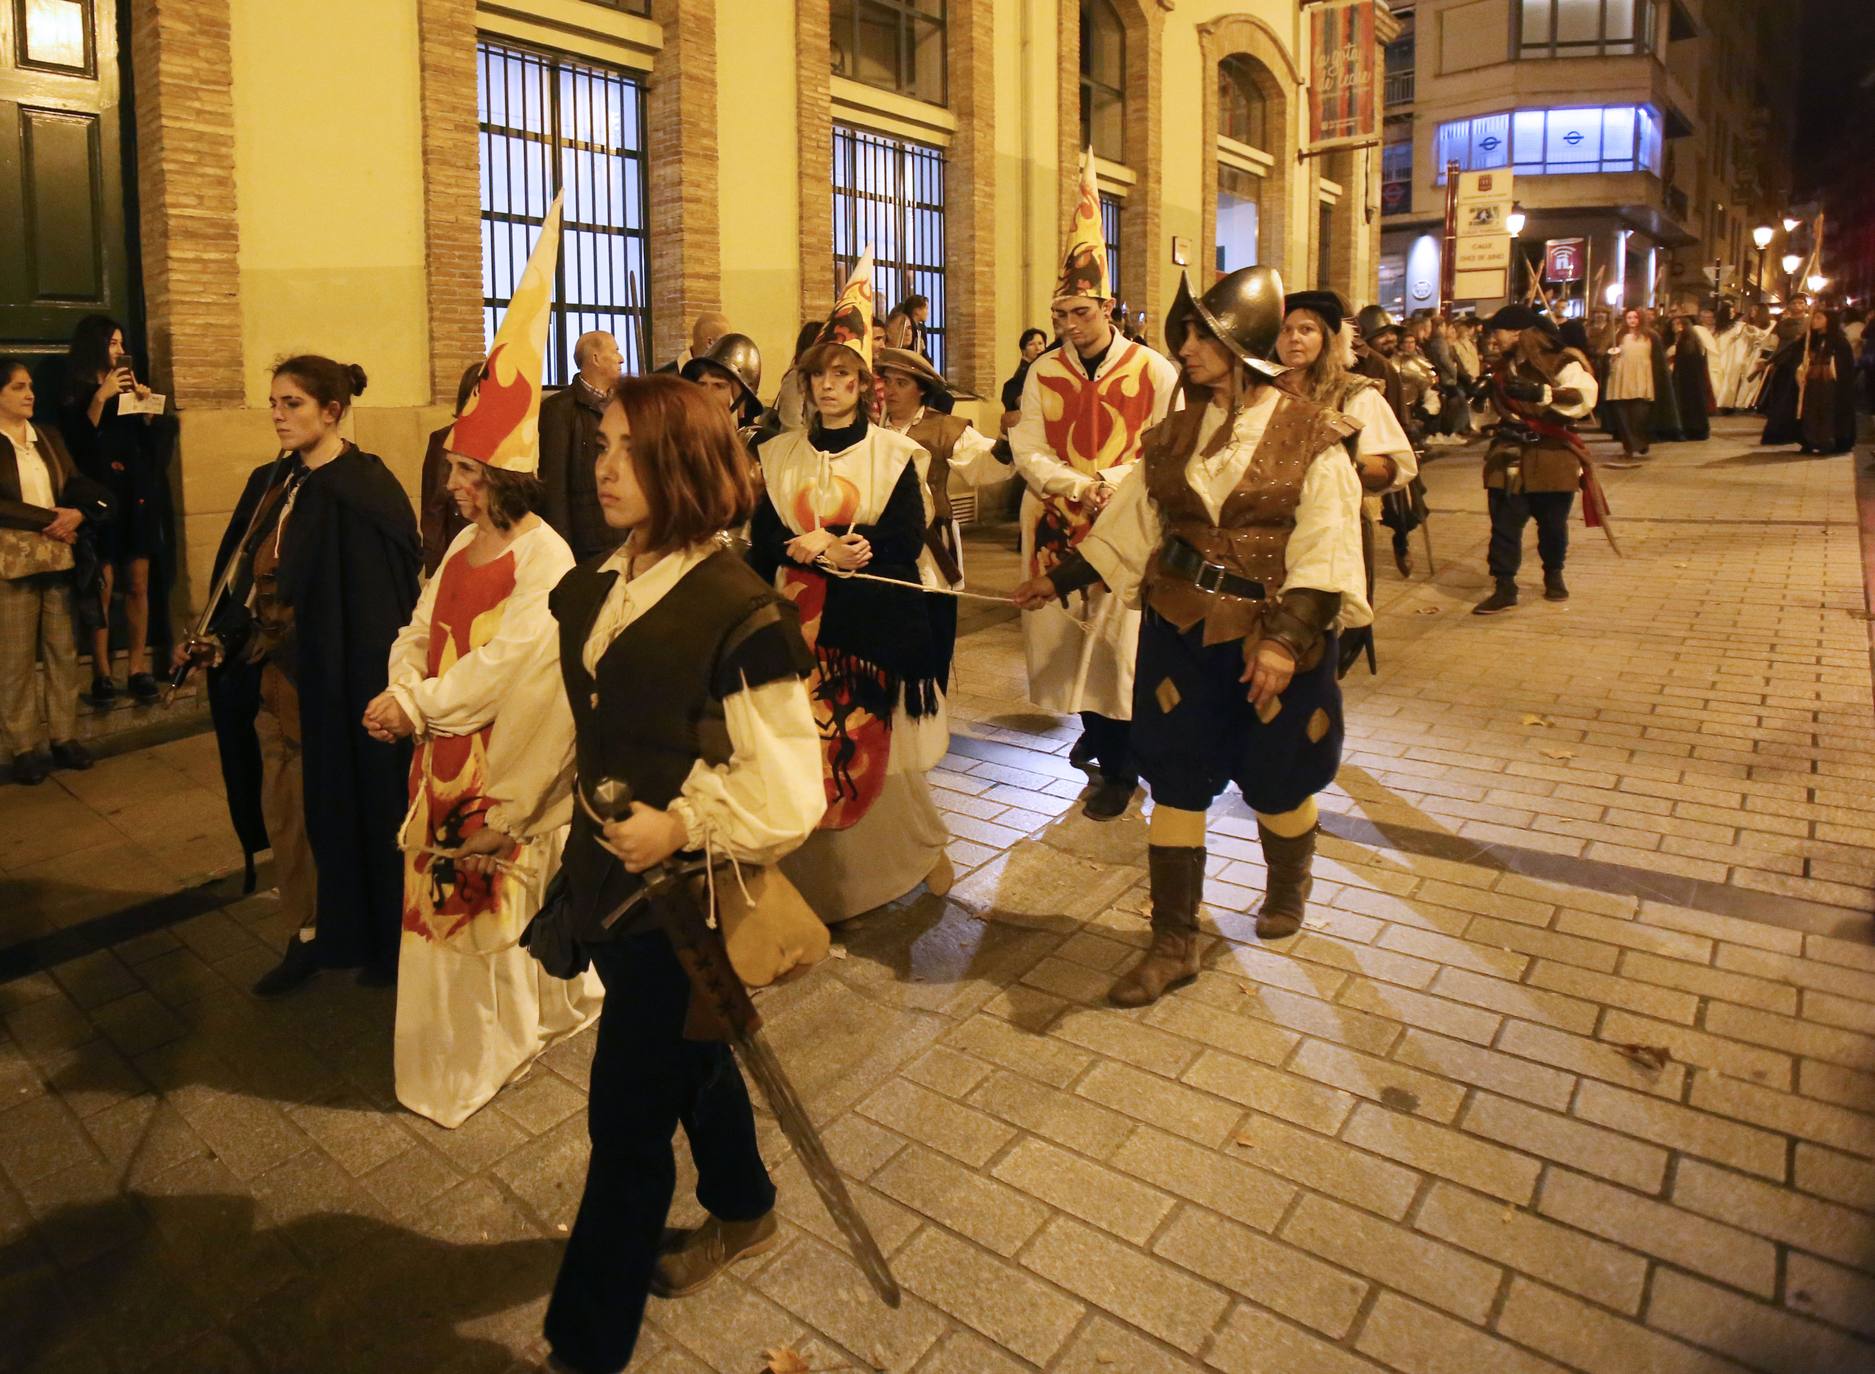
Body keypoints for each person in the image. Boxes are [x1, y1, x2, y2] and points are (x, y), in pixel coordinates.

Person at [540, 373, 825, 1374]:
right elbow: (580, 724)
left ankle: (585, 1345)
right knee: (689, 1061)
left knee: (625, 1126)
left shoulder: (741, 613)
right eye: (602, 444)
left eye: (627, 450)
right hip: (608, 891)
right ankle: (743, 1206)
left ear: (684, 466)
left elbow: (792, 793)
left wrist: (685, 822)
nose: (603, 466)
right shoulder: (591, 586)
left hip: (684, 909)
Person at [1012, 266, 1367, 1004]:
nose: (1187, 345)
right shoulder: (1172, 434)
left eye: (1204, 333)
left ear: (1245, 346)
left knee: (1276, 781)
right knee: (1174, 779)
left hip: (1273, 639)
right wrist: (1066, 575)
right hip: (1179, 633)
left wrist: (1283, 641)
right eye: (1187, 332)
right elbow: (1132, 524)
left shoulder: (1314, 438)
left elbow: (1326, 549)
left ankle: (1287, 884)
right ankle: (1173, 941)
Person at [367, 206, 603, 1128]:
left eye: (468, 474)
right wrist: (403, 685)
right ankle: (446, 1050)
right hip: (438, 750)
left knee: (490, 899)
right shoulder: (462, 543)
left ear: (506, 477)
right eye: (456, 472)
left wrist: (417, 705)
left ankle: (506, 1034)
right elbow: (419, 623)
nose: (454, 488)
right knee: (438, 900)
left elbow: (511, 667)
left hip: (493, 764)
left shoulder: (546, 557)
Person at [179, 356, 421, 995]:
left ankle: (382, 938)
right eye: (274, 403)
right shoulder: (272, 483)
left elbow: (379, 606)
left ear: (332, 411)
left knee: (360, 809)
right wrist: (222, 641)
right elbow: (240, 585)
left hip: (341, 685)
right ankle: (309, 933)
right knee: (289, 817)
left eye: (293, 404)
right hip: (276, 686)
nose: (279, 416)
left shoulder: (362, 489)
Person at [749, 257, 954, 920]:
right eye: (820, 374)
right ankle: (815, 884)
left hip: (866, 635)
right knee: (799, 756)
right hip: (795, 632)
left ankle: (914, 857)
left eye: (843, 373)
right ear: (805, 384)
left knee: (878, 758)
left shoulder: (894, 457)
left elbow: (899, 540)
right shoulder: (777, 457)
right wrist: (802, 545)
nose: (829, 384)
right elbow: (758, 543)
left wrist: (850, 547)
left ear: (864, 383)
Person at [1008, 154, 1180, 820]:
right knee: (1068, 644)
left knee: (1120, 652)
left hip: (1123, 530)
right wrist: (1067, 483)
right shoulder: (1042, 372)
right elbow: (1024, 444)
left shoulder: (1152, 369)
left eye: (1080, 311)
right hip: (1054, 525)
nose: (1069, 324)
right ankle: (1098, 736)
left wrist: (1107, 482)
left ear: (1106, 305)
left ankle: (1122, 766)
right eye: (1061, 313)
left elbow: (1163, 446)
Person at [1275, 293, 1418, 675]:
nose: (1294, 339)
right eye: (1286, 330)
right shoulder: (1261, 388)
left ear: (1328, 338)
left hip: (1334, 531)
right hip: (1270, 531)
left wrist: (1338, 459)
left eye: (1306, 330)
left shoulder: (1354, 392)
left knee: (1319, 642)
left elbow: (1393, 467)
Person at [57, 315, 176, 704]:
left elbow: (146, 444)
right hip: (98, 496)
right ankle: (102, 671)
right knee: (102, 586)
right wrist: (100, 396)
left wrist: (145, 411)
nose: (121, 351)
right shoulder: (74, 390)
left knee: (138, 583)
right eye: (113, 344)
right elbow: (77, 446)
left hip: (135, 494)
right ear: (95, 345)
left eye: (122, 344)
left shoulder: (126, 387)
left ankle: (137, 667)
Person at [0, 357, 107, 784]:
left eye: (29, 386)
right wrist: (48, 520)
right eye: (18, 387)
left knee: (63, 651)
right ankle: (24, 746)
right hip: (13, 564)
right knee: (16, 658)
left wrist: (80, 513)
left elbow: (75, 481)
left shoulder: (47, 436)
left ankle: (64, 736)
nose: (30, 394)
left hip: (60, 557)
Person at [1470, 305, 1600, 615]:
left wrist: (1542, 392)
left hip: (1552, 455)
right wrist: (1479, 400)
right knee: (1504, 525)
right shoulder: (1499, 371)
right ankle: (1504, 586)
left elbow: (1583, 398)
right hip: (1509, 455)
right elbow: (1483, 419)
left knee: (1552, 524)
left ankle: (1553, 574)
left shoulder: (1562, 363)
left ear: (1517, 333)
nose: (1493, 340)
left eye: (1497, 332)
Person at [875, 345, 1007, 590]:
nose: (890, 391)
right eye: (888, 381)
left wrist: (1007, 440)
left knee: (934, 611)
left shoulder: (944, 427)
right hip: (880, 536)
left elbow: (983, 464)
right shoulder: (872, 428)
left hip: (931, 536)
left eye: (901, 383)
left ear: (921, 390)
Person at [539, 331, 623, 562]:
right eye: (615, 351)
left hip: (623, 535)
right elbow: (555, 486)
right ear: (595, 358)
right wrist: (560, 550)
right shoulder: (560, 410)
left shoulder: (623, 405)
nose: (621, 358)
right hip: (586, 543)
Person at [1761, 307, 1858, 455]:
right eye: (1814, 318)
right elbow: (1792, 355)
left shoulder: (1839, 341)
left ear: (1829, 321)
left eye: (1819, 318)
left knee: (1827, 411)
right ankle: (1809, 440)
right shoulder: (1809, 339)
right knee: (1808, 410)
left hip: (1829, 382)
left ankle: (1828, 441)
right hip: (1810, 381)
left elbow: (1845, 367)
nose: (1814, 321)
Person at [418, 361, 484, 576]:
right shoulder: (443, 441)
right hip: (460, 547)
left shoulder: (511, 445)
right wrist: (435, 569)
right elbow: (433, 508)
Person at [680, 333, 764, 436]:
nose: (706, 393)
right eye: (701, 384)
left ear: (743, 398)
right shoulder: (687, 441)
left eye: (719, 386)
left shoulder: (763, 447)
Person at [1603, 308, 1655, 460]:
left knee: (1639, 415)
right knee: (1623, 416)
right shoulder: (1619, 335)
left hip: (1640, 378)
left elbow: (1655, 358)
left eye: (1635, 317)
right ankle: (1629, 447)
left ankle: (1640, 442)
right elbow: (1607, 354)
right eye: (1629, 317)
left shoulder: (1648, 336)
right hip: (1621, 378)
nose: (1632, 320)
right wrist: (1611, 357)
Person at [1667, 315, 1711, 442]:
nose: (1673, 327)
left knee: (1687, 405)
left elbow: (1682, 363)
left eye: (1675, 324)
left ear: (1681, 326)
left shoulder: (1685, 343)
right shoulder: (1692, 341)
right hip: (1693, 382)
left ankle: (1689, 430)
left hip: (1686, 382)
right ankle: (1696, 430)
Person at [1001, 327, 1049, 431]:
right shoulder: (1025, 373)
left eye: (1040, 343)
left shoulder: (1041, 369)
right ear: (1023, 351)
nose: (1038, 348)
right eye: (1031, 344)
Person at [657, 311, 731, 375]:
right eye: (726, 340)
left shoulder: (727, 374)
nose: (729, 346)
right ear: (710, 342)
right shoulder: (663, 381)